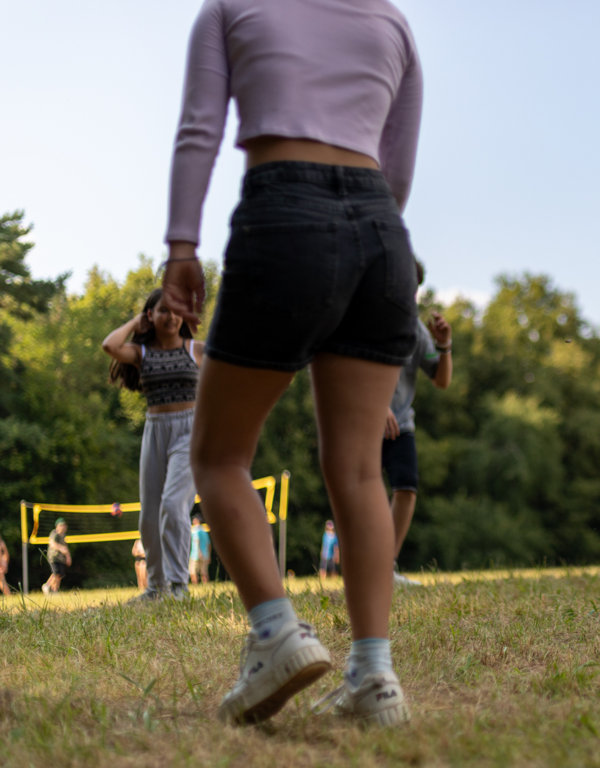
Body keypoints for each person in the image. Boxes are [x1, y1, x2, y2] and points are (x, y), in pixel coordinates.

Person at [161, 0, 422, 728]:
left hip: (286, 213)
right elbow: (399, 165)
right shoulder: (392, 21)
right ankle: (374, 676)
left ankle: (276, 634)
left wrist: (182, 247)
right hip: (383, 233)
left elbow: (198, 130)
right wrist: (361, 237)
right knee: (360, 469)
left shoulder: (230, 7)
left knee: (218, 457)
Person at [102, 288, 203, 601]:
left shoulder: (196, 349)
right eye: (163, 310)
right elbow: (110, 345)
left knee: (173, 505)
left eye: (177, 311)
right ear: (151, 315)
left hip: (189, 431)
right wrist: (136, 322)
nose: (171, 316)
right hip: (155, 430)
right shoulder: (142, 353)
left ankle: (178, 586)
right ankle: (156, 588)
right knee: (149, 514)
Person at [385, 260, 453, 587]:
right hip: (362, 418)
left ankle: (385, 567)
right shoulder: (367, 316)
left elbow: (441, 379)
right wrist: (376, 405)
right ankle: (359, 566)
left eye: (414, 287)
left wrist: (444, 345)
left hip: (400, 424)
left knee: (406, 488)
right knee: (359, 491)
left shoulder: (416, 331)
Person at [42, 518, 71, 594]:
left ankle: (54, 590)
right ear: (57, 526)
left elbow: (66, 548)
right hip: (53, 557)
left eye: (64, 525)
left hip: (61, 559)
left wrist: (68, 557)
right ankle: (47, 585)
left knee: (60, 575)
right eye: (61, 525)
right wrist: (61, 548)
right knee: (56, 573)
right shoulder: (54, 533)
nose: (63, 527)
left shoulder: (63, 536)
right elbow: (52, 543)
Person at [190, 516, 211, 584]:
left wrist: (199, 552)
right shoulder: (205, 531)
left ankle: (195, 585)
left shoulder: (195, 531)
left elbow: (197, 541)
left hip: (195, 554)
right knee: (204, 572)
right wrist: (209, 555)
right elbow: (209, 544)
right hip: (205, 554)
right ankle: (206, 585)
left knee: (192, 571)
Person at [319, 520, 340, 586]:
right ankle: (322, 582)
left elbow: (336, 547)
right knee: (322, 568)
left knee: (333, 569)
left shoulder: (334, 536)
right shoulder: (325, 535)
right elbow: (324, 545)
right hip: (325, 554)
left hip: (332, 555)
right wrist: (321, 552)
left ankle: (335, 583)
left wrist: (337, 556)